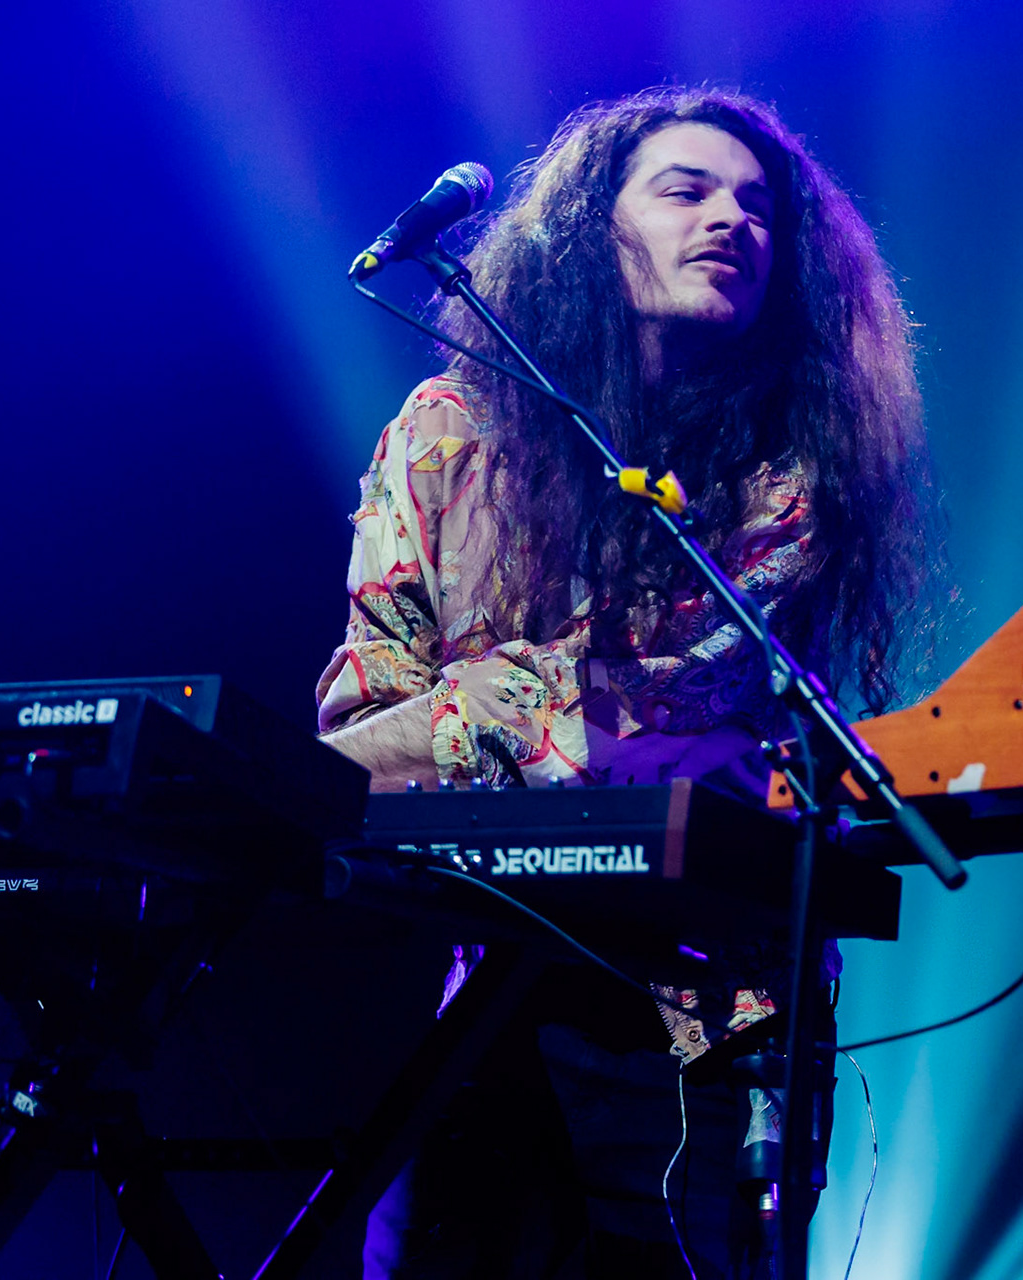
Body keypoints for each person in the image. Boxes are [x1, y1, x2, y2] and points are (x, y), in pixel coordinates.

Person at [316, 86, 941, 1278]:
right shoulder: (443, 430)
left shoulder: (799, 474)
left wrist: (483, 702)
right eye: (688, 189)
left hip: (713, 1015)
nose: (733, 220)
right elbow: (351, 733)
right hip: (487, 978)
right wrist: (512, 712)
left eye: (760, 206)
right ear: (593, 232)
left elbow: (658, 697)